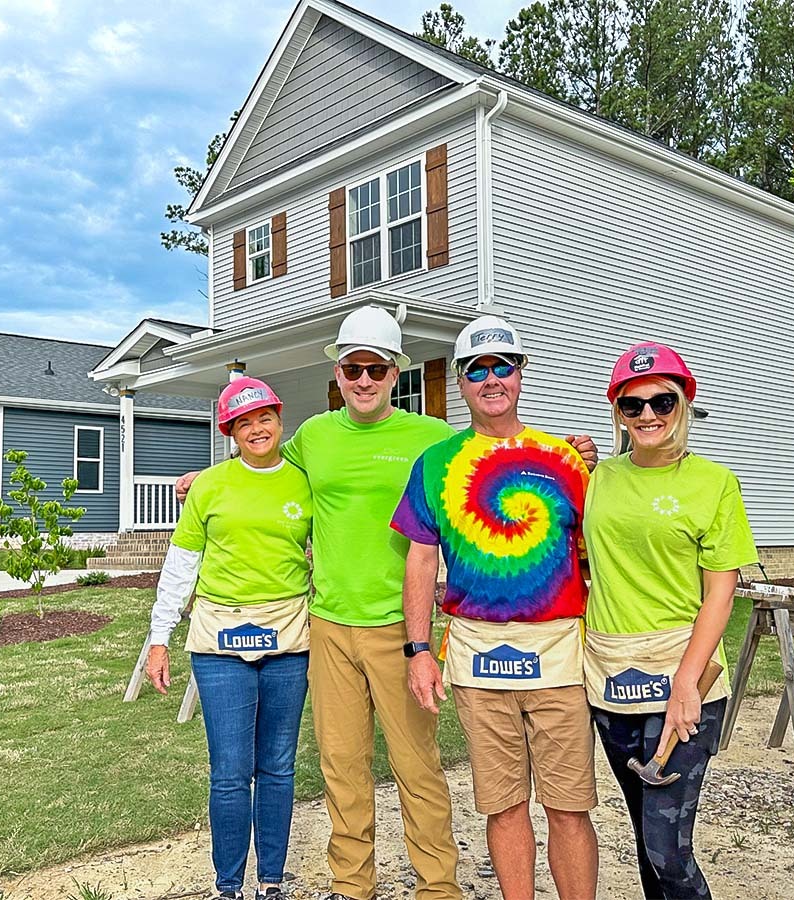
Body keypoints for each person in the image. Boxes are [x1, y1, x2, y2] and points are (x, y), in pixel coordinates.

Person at [177, 305, 598, 900]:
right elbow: (260, 458)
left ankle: (437, 886)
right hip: (328, 625)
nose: (364, 380)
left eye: (376, 369)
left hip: (400, 625)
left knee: (416, 767)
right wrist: (207, 477)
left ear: (396, 373)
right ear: (338, 375)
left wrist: (575, 448)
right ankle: (353, 885)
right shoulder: (314, 437)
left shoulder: (431, 438)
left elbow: (498, 439)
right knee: (342, 767)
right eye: (353, 369)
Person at [391, 315, 599, 899]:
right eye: (476, 369)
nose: (491, 379)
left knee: (569, 807)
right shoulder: (436, 463)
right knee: (503, 806)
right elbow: (420, 561)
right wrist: (418, 650)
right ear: (460, 381)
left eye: (502, 366)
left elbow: (599, 548)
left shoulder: (565, 459)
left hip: (559, 655)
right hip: (478, 656)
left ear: (520, 373)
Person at [582, 343, 758, 899]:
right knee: (645, 837)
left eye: (662, 401)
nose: (648, 415)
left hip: (684, 676)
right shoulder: (598, 479)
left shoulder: (713, 483)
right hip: (611, 673)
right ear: (618, 412)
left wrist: (686, 682)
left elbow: (720, 595)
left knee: (668, 847)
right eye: (632, 405)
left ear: (683, 404)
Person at [145, 376, 313, 900]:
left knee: (278, 767)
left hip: (289, 640)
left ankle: (271, 881)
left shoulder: (305, 481)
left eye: (265, 418)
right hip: (220, 643)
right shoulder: (210, 486)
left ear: (280, 420)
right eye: (244, 423)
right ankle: (228, 886)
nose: (257, 429)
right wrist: (158, 637)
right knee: (230, 772)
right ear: (231, 433)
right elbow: (181, 565)